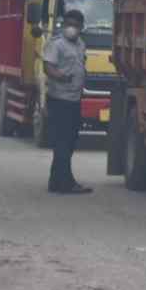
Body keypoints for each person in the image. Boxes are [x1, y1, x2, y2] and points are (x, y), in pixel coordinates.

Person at [42, 10, 92, 194]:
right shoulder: (56, 44)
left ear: (80, 27)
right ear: (64, 24)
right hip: (59, 99)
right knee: (62, 142)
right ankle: (64, 183)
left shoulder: (80, 45)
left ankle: (57, 181)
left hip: (74, 99)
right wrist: (61, 77)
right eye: (68, 24)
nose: (71, 28)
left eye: (75, 25)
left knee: (70, 141)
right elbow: (48, 67)